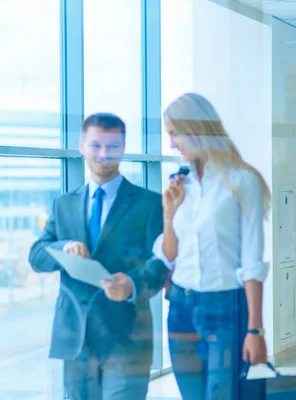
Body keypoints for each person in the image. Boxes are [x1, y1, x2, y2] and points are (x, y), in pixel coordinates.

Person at [28, 112, 168, 400]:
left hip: (127, 338)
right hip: (76, 338)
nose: (104, 154)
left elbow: (161, 264)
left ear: (123, 148)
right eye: (96, 145)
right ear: (82, 146)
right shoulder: (64, 204)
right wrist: (64, 246)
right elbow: (37, 256)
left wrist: (131, 283)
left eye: (112, 146)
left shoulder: (150, 204)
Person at [154, 93, 271, 399]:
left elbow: (252, 262)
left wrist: (255, 330)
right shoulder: (181, 186)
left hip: (226, 309)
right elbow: (169, 256)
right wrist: (168, 215)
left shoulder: (242, 181)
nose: (172, 143)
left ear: (197, 129)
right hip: (181, 306)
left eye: (175, 133)